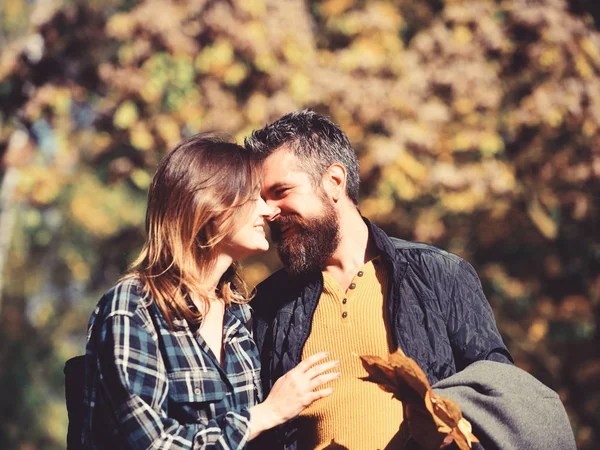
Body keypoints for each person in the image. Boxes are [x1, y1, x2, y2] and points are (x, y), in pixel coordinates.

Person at [244, 110, 576, 450]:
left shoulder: (440, 276)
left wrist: (448, 432)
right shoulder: (267, 305)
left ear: (334, 181)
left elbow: (501, 403)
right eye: (262, 198)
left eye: (280, 191)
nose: (267, 210)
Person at [82, 133, 340, 449]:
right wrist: (266, 414)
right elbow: (151, 443)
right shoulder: (134, 307)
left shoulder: (240, 316)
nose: (269, 211)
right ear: (210, 206)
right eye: (253, 197)